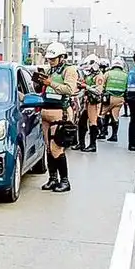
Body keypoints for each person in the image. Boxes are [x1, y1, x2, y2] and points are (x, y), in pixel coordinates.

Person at [33, 42, 79, 192]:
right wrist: (39, 83)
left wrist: (51, 83)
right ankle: (53, 179)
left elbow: (69, 89)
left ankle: (65, 181)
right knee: (48, 148)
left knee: (56, 148)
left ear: (61, 57)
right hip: (46, 111)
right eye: (49, 59)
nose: (50, 61)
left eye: (53, 59)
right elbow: (41, 90)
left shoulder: (69, 70)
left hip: (60, 113)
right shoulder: (50, 70)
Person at [102, 57, 129, 142]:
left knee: (102, 114)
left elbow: (102, 85)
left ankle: (103, 132)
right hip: (120, 98)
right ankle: (114, 135)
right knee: (115, 116)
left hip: (108, 98)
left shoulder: (108, 73)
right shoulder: (125, 75)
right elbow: (127, 88)